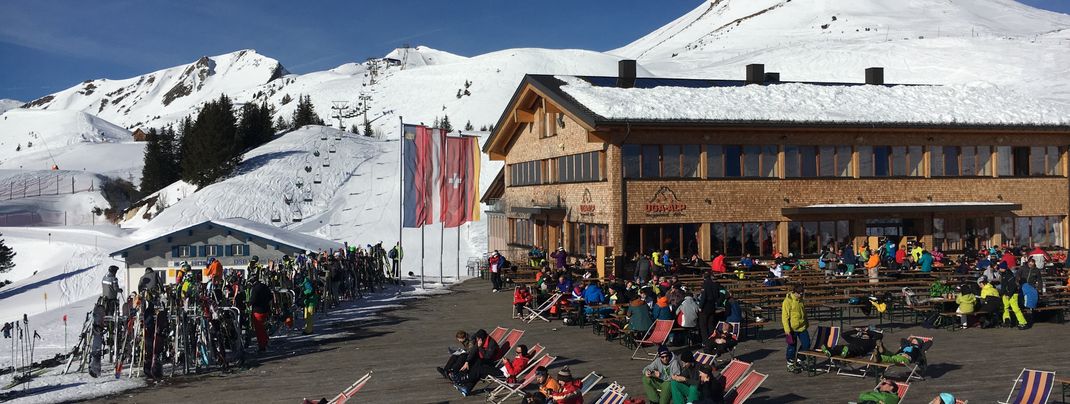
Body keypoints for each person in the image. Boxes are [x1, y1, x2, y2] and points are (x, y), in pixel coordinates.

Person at [455, 329, 500, 396]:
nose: (477, 339)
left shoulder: (491, 344)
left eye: (478, 338)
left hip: (492, 362)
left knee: (477, 369)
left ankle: (465, 380)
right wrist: (467, 362)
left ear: (482, 338)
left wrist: (480, 347)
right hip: (483, 360)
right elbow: (473, 351)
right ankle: (466, 387)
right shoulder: (480, 340)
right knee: (470, 361)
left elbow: (487, 357)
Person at [782, 284, 809, 370]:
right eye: (800, 293)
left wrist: (806, 323)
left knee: (807, 344)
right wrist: (787, 330)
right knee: (792, 346)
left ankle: (800, 359)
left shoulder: (801, 300)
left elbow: (804, 313)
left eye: (802, 293)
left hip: (802, 327)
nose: (801, 295)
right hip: (792, 329)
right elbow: (784, 317)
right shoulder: (787, 301)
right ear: (794, 292)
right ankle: (790, 362)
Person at [998, 264, 1028, 329]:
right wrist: (1002, 293)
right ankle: (1007, 321)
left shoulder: (1009, 275)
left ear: (1004, 268)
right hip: (1005, 294)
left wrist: (1009, 294)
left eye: (1000, 268)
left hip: (1012, 294)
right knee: (1005, 308)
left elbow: (1013, 286)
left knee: (1016, 309)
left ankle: (1023, 322)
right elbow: (1003, 286)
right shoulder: (1003, 275)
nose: (999, 269)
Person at [249, 275, 274, 351]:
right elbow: (270, 296)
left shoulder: (255, 289)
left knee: (259, 330)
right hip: (266, 309)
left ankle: (262, 346)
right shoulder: (264, 286)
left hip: (257, 311)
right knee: (263, 328)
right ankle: (265, 341)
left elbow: (253, 300)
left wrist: (248, 303)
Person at [697, 274, 722, 343]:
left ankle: (706, 342)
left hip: (705, 306)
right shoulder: (715, 284)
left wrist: (700, 306)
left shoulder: (705, 285)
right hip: (712, 306)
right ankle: (713, 339)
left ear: (703, 278)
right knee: (711, 324)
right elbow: (717, 296)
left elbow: (703, 296)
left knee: (703, 325)